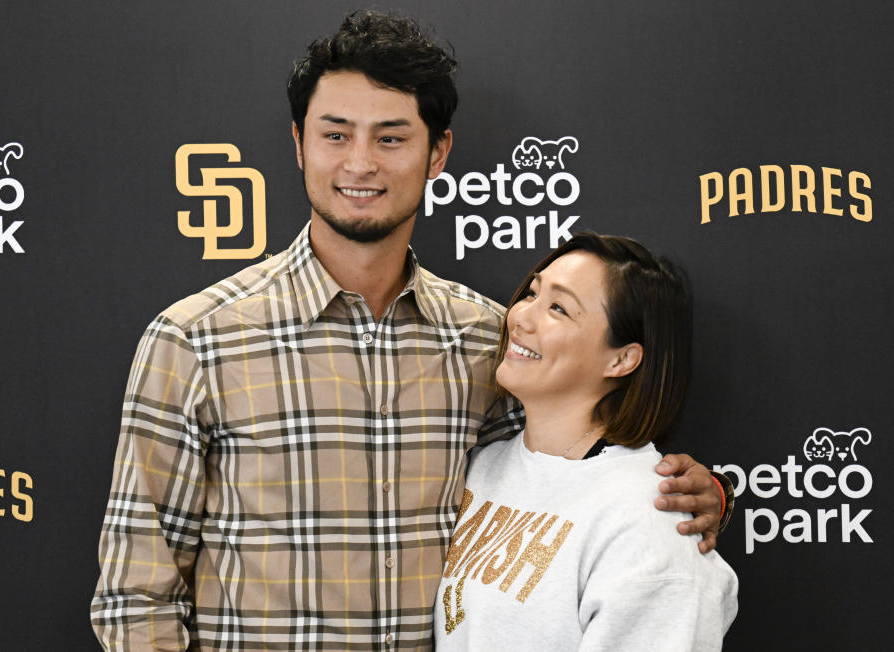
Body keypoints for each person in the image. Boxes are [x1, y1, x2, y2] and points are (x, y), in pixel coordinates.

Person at [90, 11, 730, 650]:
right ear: (298, 143)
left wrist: (683, 497)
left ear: (438, 153)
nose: (360, 163)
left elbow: (559, 485)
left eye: (391, 138)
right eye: (335, 135)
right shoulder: (196, 341)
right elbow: (135, 596)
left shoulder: (488, 340)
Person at [434, 233, 738, 650]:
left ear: (622, 359)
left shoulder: (653, 524)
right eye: (533, 293)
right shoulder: (484, 464)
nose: (520, 317)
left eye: (559, 308)